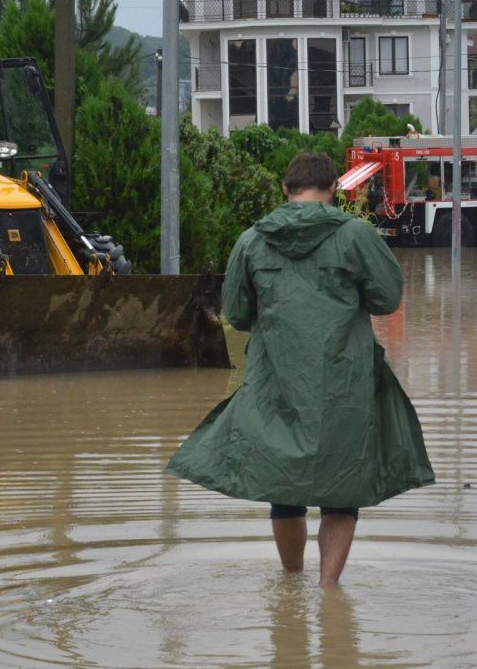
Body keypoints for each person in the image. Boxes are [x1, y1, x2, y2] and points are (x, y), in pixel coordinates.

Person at [166, 153, 434, 587]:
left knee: (285, 488)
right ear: (334, 189)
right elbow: (387, 299)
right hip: (345, 381)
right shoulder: (356, 235)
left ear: (285, 189)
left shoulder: (251, 241)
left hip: (276, 379)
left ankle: (292, 585)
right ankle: (328, 592)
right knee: (342, 490)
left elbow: (237, 313)